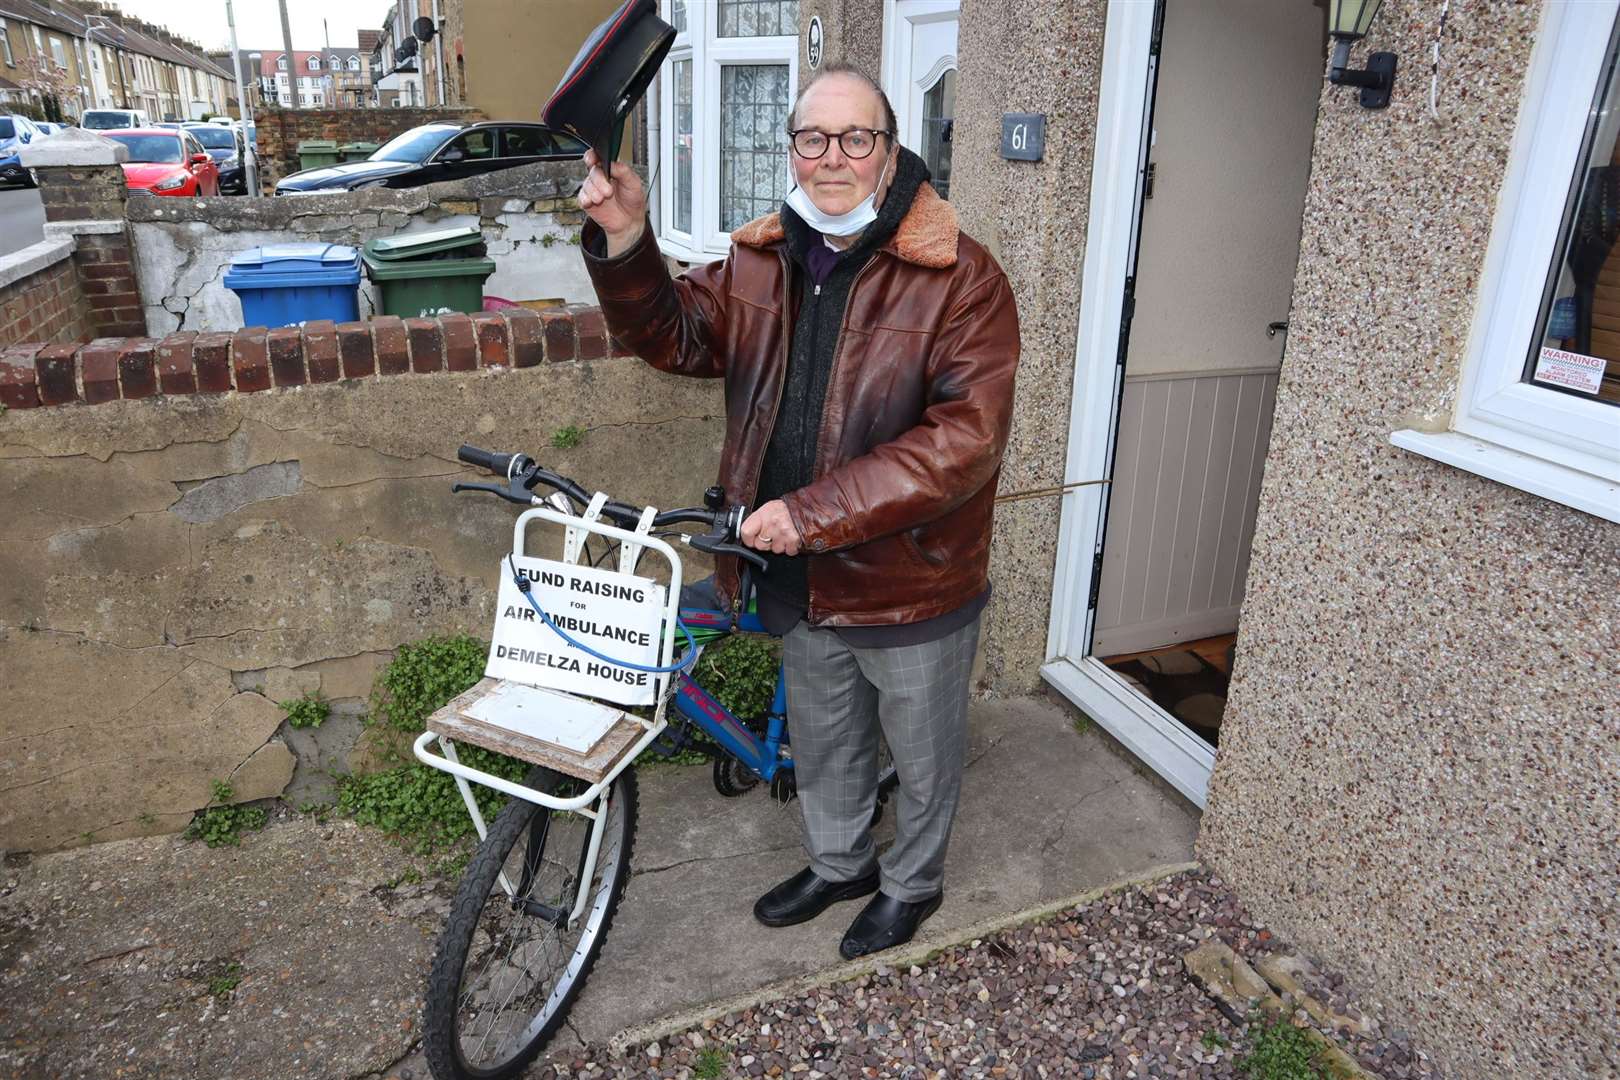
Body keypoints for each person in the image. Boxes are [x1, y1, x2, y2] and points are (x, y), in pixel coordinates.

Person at [577, 61, 1020, 959]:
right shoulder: (761, 257)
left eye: (856, 138)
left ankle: (911, 882)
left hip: (911, 576)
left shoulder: (963, 278)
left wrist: (809, 514)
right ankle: (841, 860)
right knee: (824, 736)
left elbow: (962, 443)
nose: (832, 158)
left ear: (891, 154)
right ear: (792, 149)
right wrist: (627, 239)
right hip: (795, 566)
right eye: (812, 138)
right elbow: (676, 336)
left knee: (923, 751)